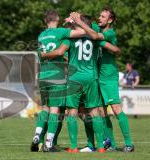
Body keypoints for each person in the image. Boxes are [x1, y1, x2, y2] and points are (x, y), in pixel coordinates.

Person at [41, 14, 120, 153]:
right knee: (95, 112)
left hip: (74, 78)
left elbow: (60, 51)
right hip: (91, 77)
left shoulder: (69, 39)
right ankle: (101, 147)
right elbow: (114, 49)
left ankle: (73, 147)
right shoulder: (94, 37)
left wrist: (43, 54)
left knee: (72, 112)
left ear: (76, 24)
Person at [70, 7, 134, 152]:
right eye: (100, 15)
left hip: (108, 77)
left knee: (116, 109)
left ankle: (129, 143)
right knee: (102, 112)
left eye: (103, 16)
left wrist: (114, 49)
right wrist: (75, 19)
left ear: (110, 20)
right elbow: (86, 25)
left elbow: (95, 37)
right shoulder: (96, 28)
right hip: (97, 76)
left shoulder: (109, 32)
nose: (99, 18)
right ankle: (110, 144)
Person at [30, 10, 88, 152]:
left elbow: (41, 55)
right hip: (57, 76)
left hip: (43, 75)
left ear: (45, 21)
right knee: (55, 110)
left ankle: (37, 136)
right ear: (57, 19)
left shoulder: (41, 35)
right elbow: (83, 32)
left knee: (45, 108)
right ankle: (49, 143)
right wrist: (72, 21)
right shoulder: (61, 32)